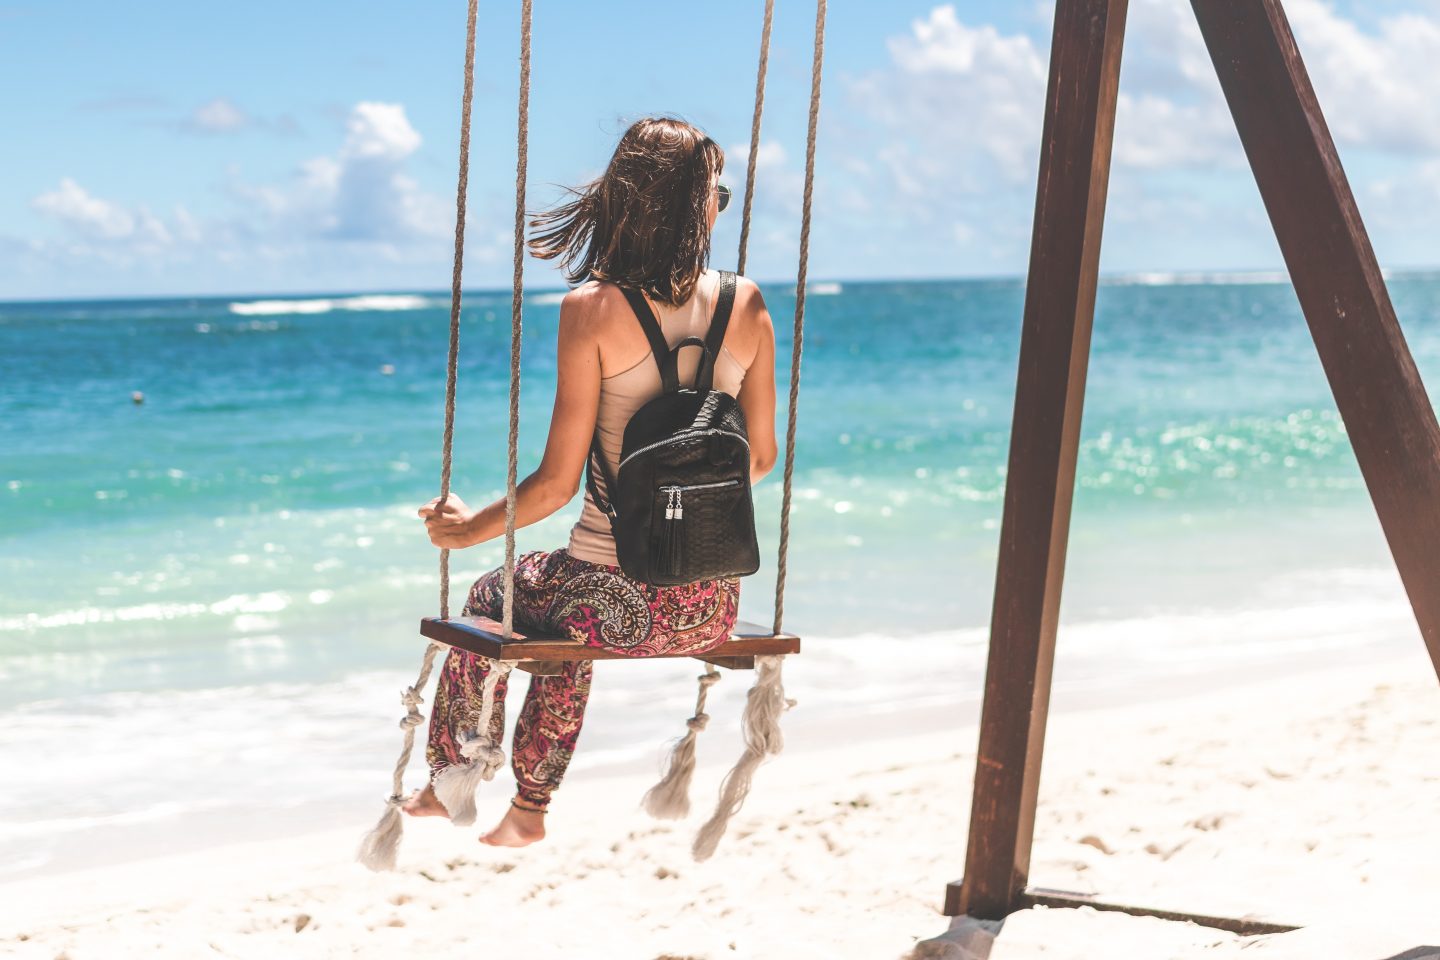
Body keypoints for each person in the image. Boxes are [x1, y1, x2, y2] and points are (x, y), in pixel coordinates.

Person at [403, 116, 778, 848]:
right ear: (695, 206)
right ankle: (525, 812)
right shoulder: (750, 303)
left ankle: (456, 782)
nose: (719, 208)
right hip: (710, 607)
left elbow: (552, 486)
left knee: (502, 596)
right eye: (717, 196)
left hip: (614, 606)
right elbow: (759, 459)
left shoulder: (594, 311)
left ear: (627, 201)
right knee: (560, 615)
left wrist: (462, 529)